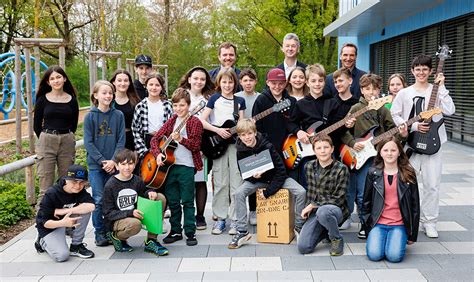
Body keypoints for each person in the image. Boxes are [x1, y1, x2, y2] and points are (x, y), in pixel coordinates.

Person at [390, 54, 455, 238]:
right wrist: (413, 126)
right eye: (417, 69)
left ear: (431, 71)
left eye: (425, 69)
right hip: (411, 144)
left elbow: (450, 110)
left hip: (434, 143)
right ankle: (406, 217)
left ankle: (430, 222)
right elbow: (395, 116)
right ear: (412, 71)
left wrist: (441, 87)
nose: (421, 72)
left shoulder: (437, 90)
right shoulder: (404, 93)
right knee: (406, 182)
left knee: (432, 184)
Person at [341, 74, 408, 239]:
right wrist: (351, 142)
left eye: (375, 88)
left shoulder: (383, 109)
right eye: (367, 88)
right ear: (362, 90)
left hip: (378, 157)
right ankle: (362, 222)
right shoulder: (356, 108)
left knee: (375, 191)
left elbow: (393, 133)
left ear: (379, 90)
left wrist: (403, 135)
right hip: (359, 156)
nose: (371, 92)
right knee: (361, 192)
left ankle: (371, 222)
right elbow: (343, 131)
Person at [228, 119, 306, 249]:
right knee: (238, 193)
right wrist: (254, 176)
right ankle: (242, 231)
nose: (246, 138)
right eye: (242, 135)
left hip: (277, 179)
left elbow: (281, 171)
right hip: (258, 181)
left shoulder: (267, 146)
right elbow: (243, 173)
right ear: (239, 136)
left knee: (301, 191)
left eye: (249, 133)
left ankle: (299, 226)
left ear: (255, 132)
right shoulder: (240, 150)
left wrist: (268, 191)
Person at [151, 88, 203, 246]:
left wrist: (181, 139)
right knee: (173, 201)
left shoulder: (195, 122)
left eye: (182, 105)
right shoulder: (172, 121)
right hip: (169, 168)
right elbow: (155, 139)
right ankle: (175, 231)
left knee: (187, 200)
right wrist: (157, 154)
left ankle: (190, 232)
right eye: (175, 106)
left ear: (188, 105)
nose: (178, 109)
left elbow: (195, 146)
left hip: (186, 166)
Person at [200, 68, 245, 235]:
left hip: (235, 145)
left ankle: (235, 219)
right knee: (220, 182)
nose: (227, 85)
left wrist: (244, 128)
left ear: (235, 83)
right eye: (224, 82)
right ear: (219, 83)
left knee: (236, 181)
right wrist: (217, 131)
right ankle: (220, 219)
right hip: (216, 144)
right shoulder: (214, 99)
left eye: (231, 81)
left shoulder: (239, 101)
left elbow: (241, 124)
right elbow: (202, 121)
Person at [361, 137, 420, 263]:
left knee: (394, 257)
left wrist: (412, 234)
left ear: (399, 152)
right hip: (378, 223)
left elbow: (415, 206)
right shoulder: (373, 173)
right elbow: (366, 203)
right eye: (385, 150)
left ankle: (398, 238)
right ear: (380, 152)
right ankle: (385, 238)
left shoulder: (408, 173)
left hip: (399, 224)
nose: (389, 153)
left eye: (393, 150)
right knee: (374, 255)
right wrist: (367, 229)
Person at [102, 148, 169, 256]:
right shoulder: (110, 185)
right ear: (117, 166)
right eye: (123, 164)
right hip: (118, 220)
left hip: (135, 213)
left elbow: (143, 192)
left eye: (130, 164)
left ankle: (151, 241)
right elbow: (107, 213)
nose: (127, 167)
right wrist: (130, 213)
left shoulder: (137, 180)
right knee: (135, 224)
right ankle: (116, 237)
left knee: (160, 198)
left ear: (135, 164)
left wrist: (150, 192)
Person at [84, 80, 126, 246]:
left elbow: (121, 140)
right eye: (104, 93)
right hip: (96, 166)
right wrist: (102, 161)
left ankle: (112, 230)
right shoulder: (90, 116)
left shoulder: (118, 115)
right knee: (99, 198)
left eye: (110, 93)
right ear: (95, 95)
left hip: (115, 165)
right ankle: (99, 232)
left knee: (114, 199)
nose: (108, 95)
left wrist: (114, 161)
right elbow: (88, 142)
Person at [33, 66, 79, 209]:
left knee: (67, 182)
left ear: (64, 79)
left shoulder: (72, 100)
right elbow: (36, 125)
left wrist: (66, 136)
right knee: (45, 181)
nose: (56, 80)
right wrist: (47, 138)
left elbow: (74, 124)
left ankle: (66, 219)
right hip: (47, 139)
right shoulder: (42, 100)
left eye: (58, 77)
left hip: (66, 140)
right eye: (52, 78)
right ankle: (43, 221)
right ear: (48, 82)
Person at [297, 135, 349, 256]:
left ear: (332, 149)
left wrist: (312, 205)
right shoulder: (309, 166)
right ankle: (326, 230)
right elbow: (311, 192)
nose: (323, 151)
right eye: (319, 148)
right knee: (304, 247)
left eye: (326, 147)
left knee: (323, 212)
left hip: (335, 210)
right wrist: (308, 210)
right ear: (314, 150)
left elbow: (339, 199)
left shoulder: (341, 169)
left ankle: (336, 238)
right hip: (317, 211)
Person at [178, 66, 215, 230]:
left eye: (202, 79)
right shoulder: (181, 95)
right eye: (196, 78)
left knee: (200, 180)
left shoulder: (210, 98)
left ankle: (200, 216)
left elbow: (211, 121)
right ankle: (186, 214)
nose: (199, 81)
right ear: (189, 79)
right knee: (185, 181)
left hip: (202, 144)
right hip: (181, 143)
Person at [34, 164, 95, 262]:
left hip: (67, 222)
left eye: (81, 182)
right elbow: (44, 222)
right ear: (66, 180)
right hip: (51, 226)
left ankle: (76, 246)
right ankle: (42, 241)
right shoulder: (52, 193)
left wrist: (65, 211)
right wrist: (63, 223)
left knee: (85, 210)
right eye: (74, 181)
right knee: (62, 256)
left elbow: (91, 206)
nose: (78, 186)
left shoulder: (80, 191)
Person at [287, 64, 335, 187]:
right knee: (308, 187)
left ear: (324, 82)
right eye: (313, 81)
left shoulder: (332, 102)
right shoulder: (301, 104)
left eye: (320, 80)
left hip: (327, 150)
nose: (317, 84)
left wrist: (347, 124)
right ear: (307, 83)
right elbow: (290, 123)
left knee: (328, 186)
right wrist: (298, 132)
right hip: (308, 152)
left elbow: (338, 127)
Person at [234, 67, 260, 226]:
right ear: (240, 82)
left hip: (255, 140)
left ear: (256, 81)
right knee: (245, 175)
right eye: (245, 80)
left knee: (257, 173)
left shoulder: (261, 98)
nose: (248, 83)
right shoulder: (236, 97)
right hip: (241, 140)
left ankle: (254, 209)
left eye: (251, 80)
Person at [253, 68, 296, 160]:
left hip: (288, 147)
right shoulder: (261, 100)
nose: (277, 86)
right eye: (273, 83)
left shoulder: (291, 101)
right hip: (266, 146)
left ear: (285, 83)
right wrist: (265, 144)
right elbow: (257, 126)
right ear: (268, 82)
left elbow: (294, 123)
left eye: (281, 83)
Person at [132, 73, 173, 160]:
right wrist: (143, 152)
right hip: (146, 143)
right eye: (151, 84)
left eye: (157, 85)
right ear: (146, 86)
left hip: (163, 143)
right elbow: (136, 131)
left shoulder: (168, 105)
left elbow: (172, 128)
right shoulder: (140, 106)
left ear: (161, 87)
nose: (154, 88)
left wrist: (167, 148)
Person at [110, 69, 141, 151]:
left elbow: (139, 126)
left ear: (130, 83)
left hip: (130, 141)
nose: (122, 83)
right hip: (112, 139)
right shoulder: (108, 100)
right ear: (114, 82)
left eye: (126, 81)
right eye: (119, 80)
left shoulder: (136, 101)